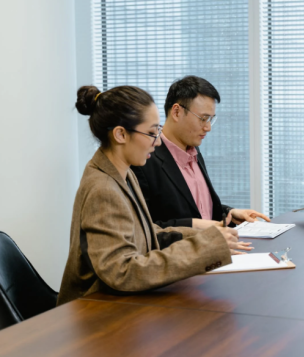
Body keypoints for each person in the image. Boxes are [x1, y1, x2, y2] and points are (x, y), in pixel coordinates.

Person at [58, 85, 251, 306]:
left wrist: (205, 239)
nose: (158, 141)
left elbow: (147, 235)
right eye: (151, 133)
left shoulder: (123, 173)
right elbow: (122, 272)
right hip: (96, 312)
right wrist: (204, 248)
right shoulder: (103, 188)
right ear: (121, 134)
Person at [131, 76, 270, 230]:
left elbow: (200, 210)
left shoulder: (194, 150)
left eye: (211, 119)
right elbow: (145, 230)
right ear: (176, 112)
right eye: (203, 119)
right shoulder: (144, 159)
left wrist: (230, 213)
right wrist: (194, 226)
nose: (208, 127)